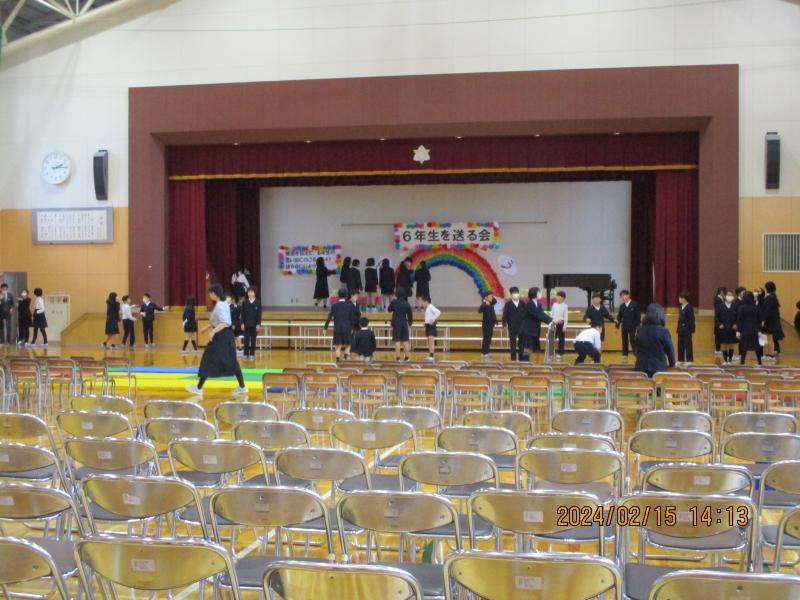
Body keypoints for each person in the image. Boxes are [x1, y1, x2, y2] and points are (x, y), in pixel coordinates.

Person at [185, 284, 247, 396]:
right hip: (225, 336)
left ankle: (199, 388)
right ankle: (242, 386)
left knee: (209, 358)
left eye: (210, 293)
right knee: (230, 360)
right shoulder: (222, 304)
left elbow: (225, 323)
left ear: (213, 294)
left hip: (222, 336)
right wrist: (207, 328)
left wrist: (213, 331)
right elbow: (217, 321)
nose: (209, 295)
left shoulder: (220, 306)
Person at [634, 304, 675, 377]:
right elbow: (670, 350)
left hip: (641, 367)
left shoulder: (639, 330)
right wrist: (672, 364)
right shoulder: (663, 331)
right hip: (658, 368)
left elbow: (636, 348)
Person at [324, 289, 358, 362]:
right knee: (349, 344)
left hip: (338, 328)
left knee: (338, 346)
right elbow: (352, 318)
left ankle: (337, 360)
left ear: (338, 296)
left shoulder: (334, 306)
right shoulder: (350, 306)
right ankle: (345, 358)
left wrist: (325, 327)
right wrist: (353, 328)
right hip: (348, 328)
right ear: (346, 296)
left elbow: (329, 317)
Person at [520, 287, 552, 360]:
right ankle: (524, 363)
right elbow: (537, 314)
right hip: (528, 330)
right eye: (539, 292)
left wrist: (552, 320)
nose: (540, 294)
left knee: (531, 348)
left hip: (534, 331)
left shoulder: (538, 304)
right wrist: (551, 320)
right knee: (527, 349)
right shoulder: (529, 304)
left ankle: (526, 362)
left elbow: (542, 314)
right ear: (534, 293)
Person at [737, 291, 763, 366]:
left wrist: (738, 331)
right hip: (754, 329)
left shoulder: (742, 308)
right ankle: (759, 362)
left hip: (745, 329)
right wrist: (759, 329)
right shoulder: (756, 308)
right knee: (757, 346)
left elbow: (739, 320)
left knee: (744, 346)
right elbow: (759, 319)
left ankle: (742, 362)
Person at [388, 286, 413, 362]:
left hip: (396, 323)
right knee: (405, 341)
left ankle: (398, 358)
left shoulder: (394, 302)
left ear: (396, 294)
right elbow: (410, 315)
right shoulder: (406, 304)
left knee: (397, 341)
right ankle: (407, 358)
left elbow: (389, 310)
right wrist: (410, 323)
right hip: (404, 323)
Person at [502, 287, 526, 361]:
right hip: (512, 326)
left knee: (522, 343)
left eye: (517, 293)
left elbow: (526, 314)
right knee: (513, 343)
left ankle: (521, 357)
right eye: (514, 293)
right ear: (511, 295)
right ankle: (513, 358)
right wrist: (504, 324)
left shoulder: (522, 303)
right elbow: (505, 315)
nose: (516, 294)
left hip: (521, 326)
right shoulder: (508, 304)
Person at [615, 290, 641, 360]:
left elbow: (638, 316)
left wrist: (638, 327)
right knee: (624, 340)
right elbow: (619, 317)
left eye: (624, 296)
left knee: (633, 340)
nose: (622, 298)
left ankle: (636, 354)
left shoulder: (635, 304)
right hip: (624, 326)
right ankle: (625, 355)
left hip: (633, 326)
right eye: (621, 296)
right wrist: (616, 327)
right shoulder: (622, 306)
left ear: (628, 295)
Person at [761, 281, 783, 359]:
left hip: (770, 321)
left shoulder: (770, 297)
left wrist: (763, 320)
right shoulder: (772, 296)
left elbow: (767, 310)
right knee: (768, 338)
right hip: (772, 320)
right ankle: (768, 353)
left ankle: (770, 354)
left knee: (770, 338)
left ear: (767, 288)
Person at [715, 290, 738, 365]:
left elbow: (738, 317)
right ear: (725, 296)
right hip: (723, 328)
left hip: (732, 328)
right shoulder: (720, 306)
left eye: (731, 295)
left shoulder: (735, 306)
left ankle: (730, 360)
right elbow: (717, 317)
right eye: (728, 295)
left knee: (731, 344)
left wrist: (736, 324)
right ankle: (725, 360)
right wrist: (719, 324)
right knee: (724, 344)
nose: (730, 297)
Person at [241, 286, 262, 361]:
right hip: (246, 324)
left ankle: (252, 354)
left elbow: (259, 315)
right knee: (246, 340)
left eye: (251, 292)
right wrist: (242, 323)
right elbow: (242, 314)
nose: (250, 293)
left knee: (253, 340)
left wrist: (258, 324)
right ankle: (245, 354)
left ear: (255, 293)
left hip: (254, 325)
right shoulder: (245, 302)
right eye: (249, 292)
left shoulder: (258, 302)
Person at [677, 291, 695, 365]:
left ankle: (689, 360)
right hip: (681, 329)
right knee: (680, 345)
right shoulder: (681, 307)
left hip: (687, 330)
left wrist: (691, 329)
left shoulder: (689, 307)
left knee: (688, 345)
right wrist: (678, 329)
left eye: (680, 298)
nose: (679, 299)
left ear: (684, 299)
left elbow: (691, 319)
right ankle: (680, 359)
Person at [421, 295, 441, 362]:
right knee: (429, 341)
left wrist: (433, 319)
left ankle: (432, 356)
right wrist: (425, 322)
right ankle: (430, 355)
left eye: (422, 302)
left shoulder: (430, 307)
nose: (422, 304)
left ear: (426, 301)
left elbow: (438, 312)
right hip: (428, 326)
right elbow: (428, 317)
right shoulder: (428, 308)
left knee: (431, 341)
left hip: (431, 326)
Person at [478, 291, 497, 359]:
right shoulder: (484, 304)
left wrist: (491, 296)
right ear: (486, 297)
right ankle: (484, 352)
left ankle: (487, 351)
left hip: (491, 324)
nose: (492, 297)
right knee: (486, 338)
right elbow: (479, 311)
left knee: (489, 338)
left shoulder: (491, 303)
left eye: (492, 296)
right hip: (486, 325)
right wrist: (485, 302)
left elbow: (495, 301)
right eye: (490, 296)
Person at [550, 291, 569, 357]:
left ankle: (561, 351)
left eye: (558, 296)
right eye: (557, 296)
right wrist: (551, 322)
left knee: (561, 339)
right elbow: (552, 314)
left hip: (561, 323)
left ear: (563, 298)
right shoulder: (554, 305)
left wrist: (564, 326)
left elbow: (566, 317)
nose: (557, 298)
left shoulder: (565, 306)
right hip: (554, 323)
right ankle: (551, 351)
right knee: (552, 337)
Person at [713, 287, 727, 355]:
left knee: (720, 335)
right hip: (719, 320)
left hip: (722, 320)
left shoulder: (721, 299)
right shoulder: (718, 299)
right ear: (721, 292)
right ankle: (717, 349)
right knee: (718, 335)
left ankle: (718, 349)